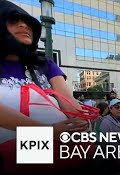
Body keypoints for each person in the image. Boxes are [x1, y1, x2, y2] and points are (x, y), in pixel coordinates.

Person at [0, 0, 88, 143]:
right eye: (13, 20)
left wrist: (80, 120)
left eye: (28, 22)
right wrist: (46, 132)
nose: (24, 25)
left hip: (54, 147)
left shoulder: (44, 63)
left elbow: (67, 99)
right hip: (7, 151)